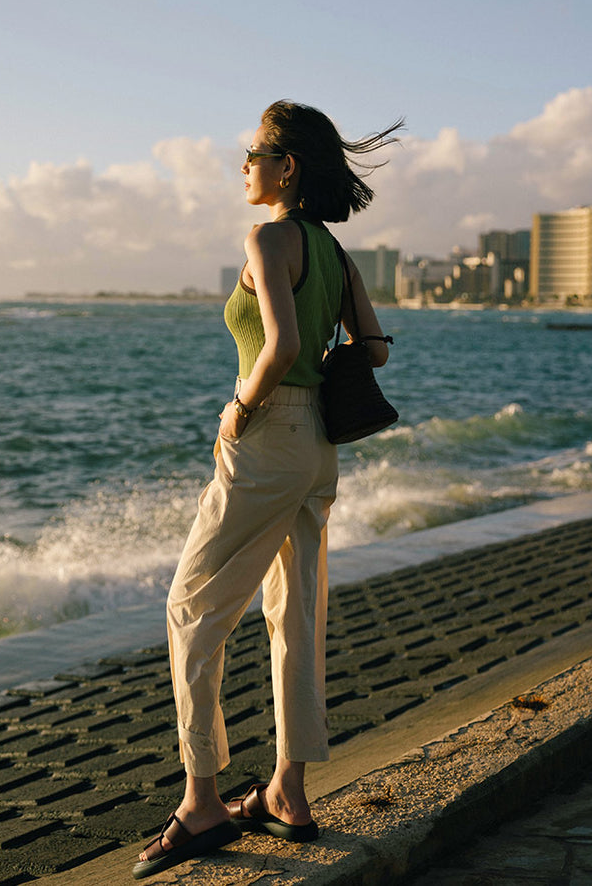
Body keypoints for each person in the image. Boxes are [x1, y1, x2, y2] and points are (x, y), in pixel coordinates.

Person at [134, 101, 402, 879]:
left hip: (270, 433)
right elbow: (376, 351)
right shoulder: (334, 252)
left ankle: (203, 801)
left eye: (253, 153)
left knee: (191, 608)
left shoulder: (268, 236)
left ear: (287, 168)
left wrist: (237, 410)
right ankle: (287, 791)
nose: (243, 164)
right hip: (319, 448)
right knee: (296, 617)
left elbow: (280, 344)